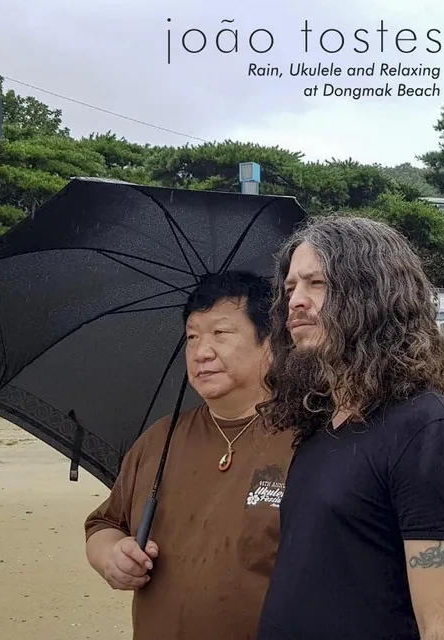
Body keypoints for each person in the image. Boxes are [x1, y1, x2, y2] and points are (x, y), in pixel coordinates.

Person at [255, 216, 444, 640]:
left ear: (371, 293)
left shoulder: (427, 431)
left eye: (316, 283)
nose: (295, 301)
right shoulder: (319, 427)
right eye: (289, 289)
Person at [84, 270, 294, 640]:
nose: (201, 352)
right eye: (192, 336)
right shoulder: (159, 440)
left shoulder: (308, 441)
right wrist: (113, 556)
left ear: (271, 344)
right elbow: (104, 525)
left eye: (221, 334)